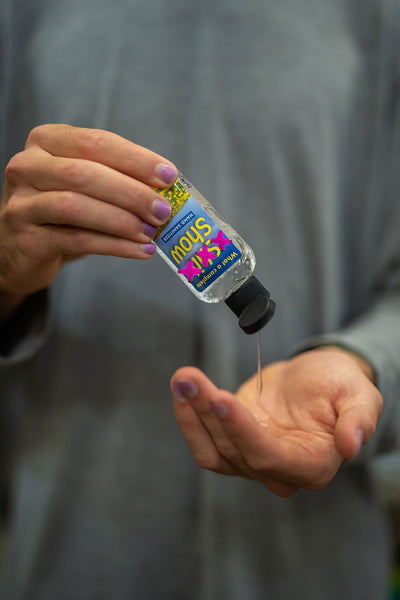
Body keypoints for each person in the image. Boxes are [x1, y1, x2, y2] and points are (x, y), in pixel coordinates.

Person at [0, 0, 399, 598]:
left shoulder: (378, 17)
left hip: (316, 567)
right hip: (75, 557)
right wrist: (7, 276)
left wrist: (358, 362)